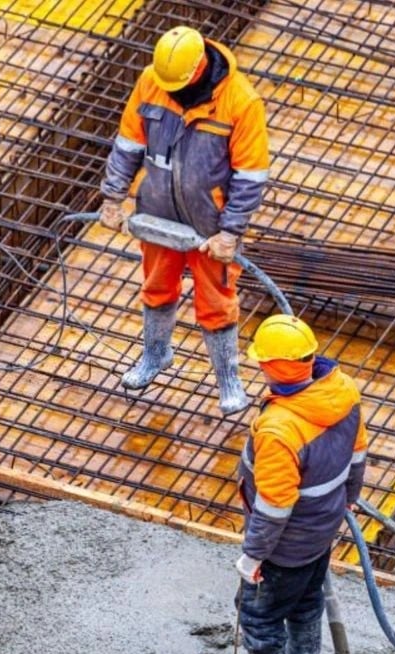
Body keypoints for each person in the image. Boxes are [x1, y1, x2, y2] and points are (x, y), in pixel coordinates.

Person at [99, 25, 270, 415]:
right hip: (158, 213)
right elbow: (129, 143)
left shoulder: (240, 102)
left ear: (197, 71)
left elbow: (251, 175)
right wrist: (113, 196)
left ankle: (229, 380)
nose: (170, 92)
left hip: (209, 225)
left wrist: (230, 232)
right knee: (157, 288)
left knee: (216, 303)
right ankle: (156, 356)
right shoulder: (151, 82)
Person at [232, 314, 368, 654]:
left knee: (259, 619)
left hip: (285, 547)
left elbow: (274, 507)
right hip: (322, 528)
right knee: (308, 602)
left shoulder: (278, 429)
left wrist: (254, 557)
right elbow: (358, 453)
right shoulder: (342, 390)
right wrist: (349, 500)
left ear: (270, 366)